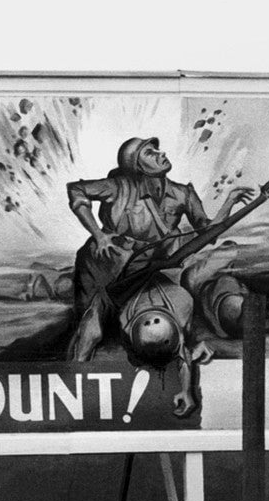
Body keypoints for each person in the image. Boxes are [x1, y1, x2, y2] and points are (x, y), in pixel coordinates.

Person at [65, 136, 254, 361]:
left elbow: (207, 231)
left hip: (150, 267)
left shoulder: (183, 193)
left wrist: (229, 202)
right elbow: (76, 190)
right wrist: (98, 235)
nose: (161, 154)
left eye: (157, 149)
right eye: (149, 153)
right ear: (136, 165)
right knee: (87, 320)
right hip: (105, 265)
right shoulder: (119, 187)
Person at [118, 272, 213, 417]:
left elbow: (183, 354)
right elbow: (183, 354)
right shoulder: (124, 318)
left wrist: (186, 391)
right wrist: (186, 391)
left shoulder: (182, 300)